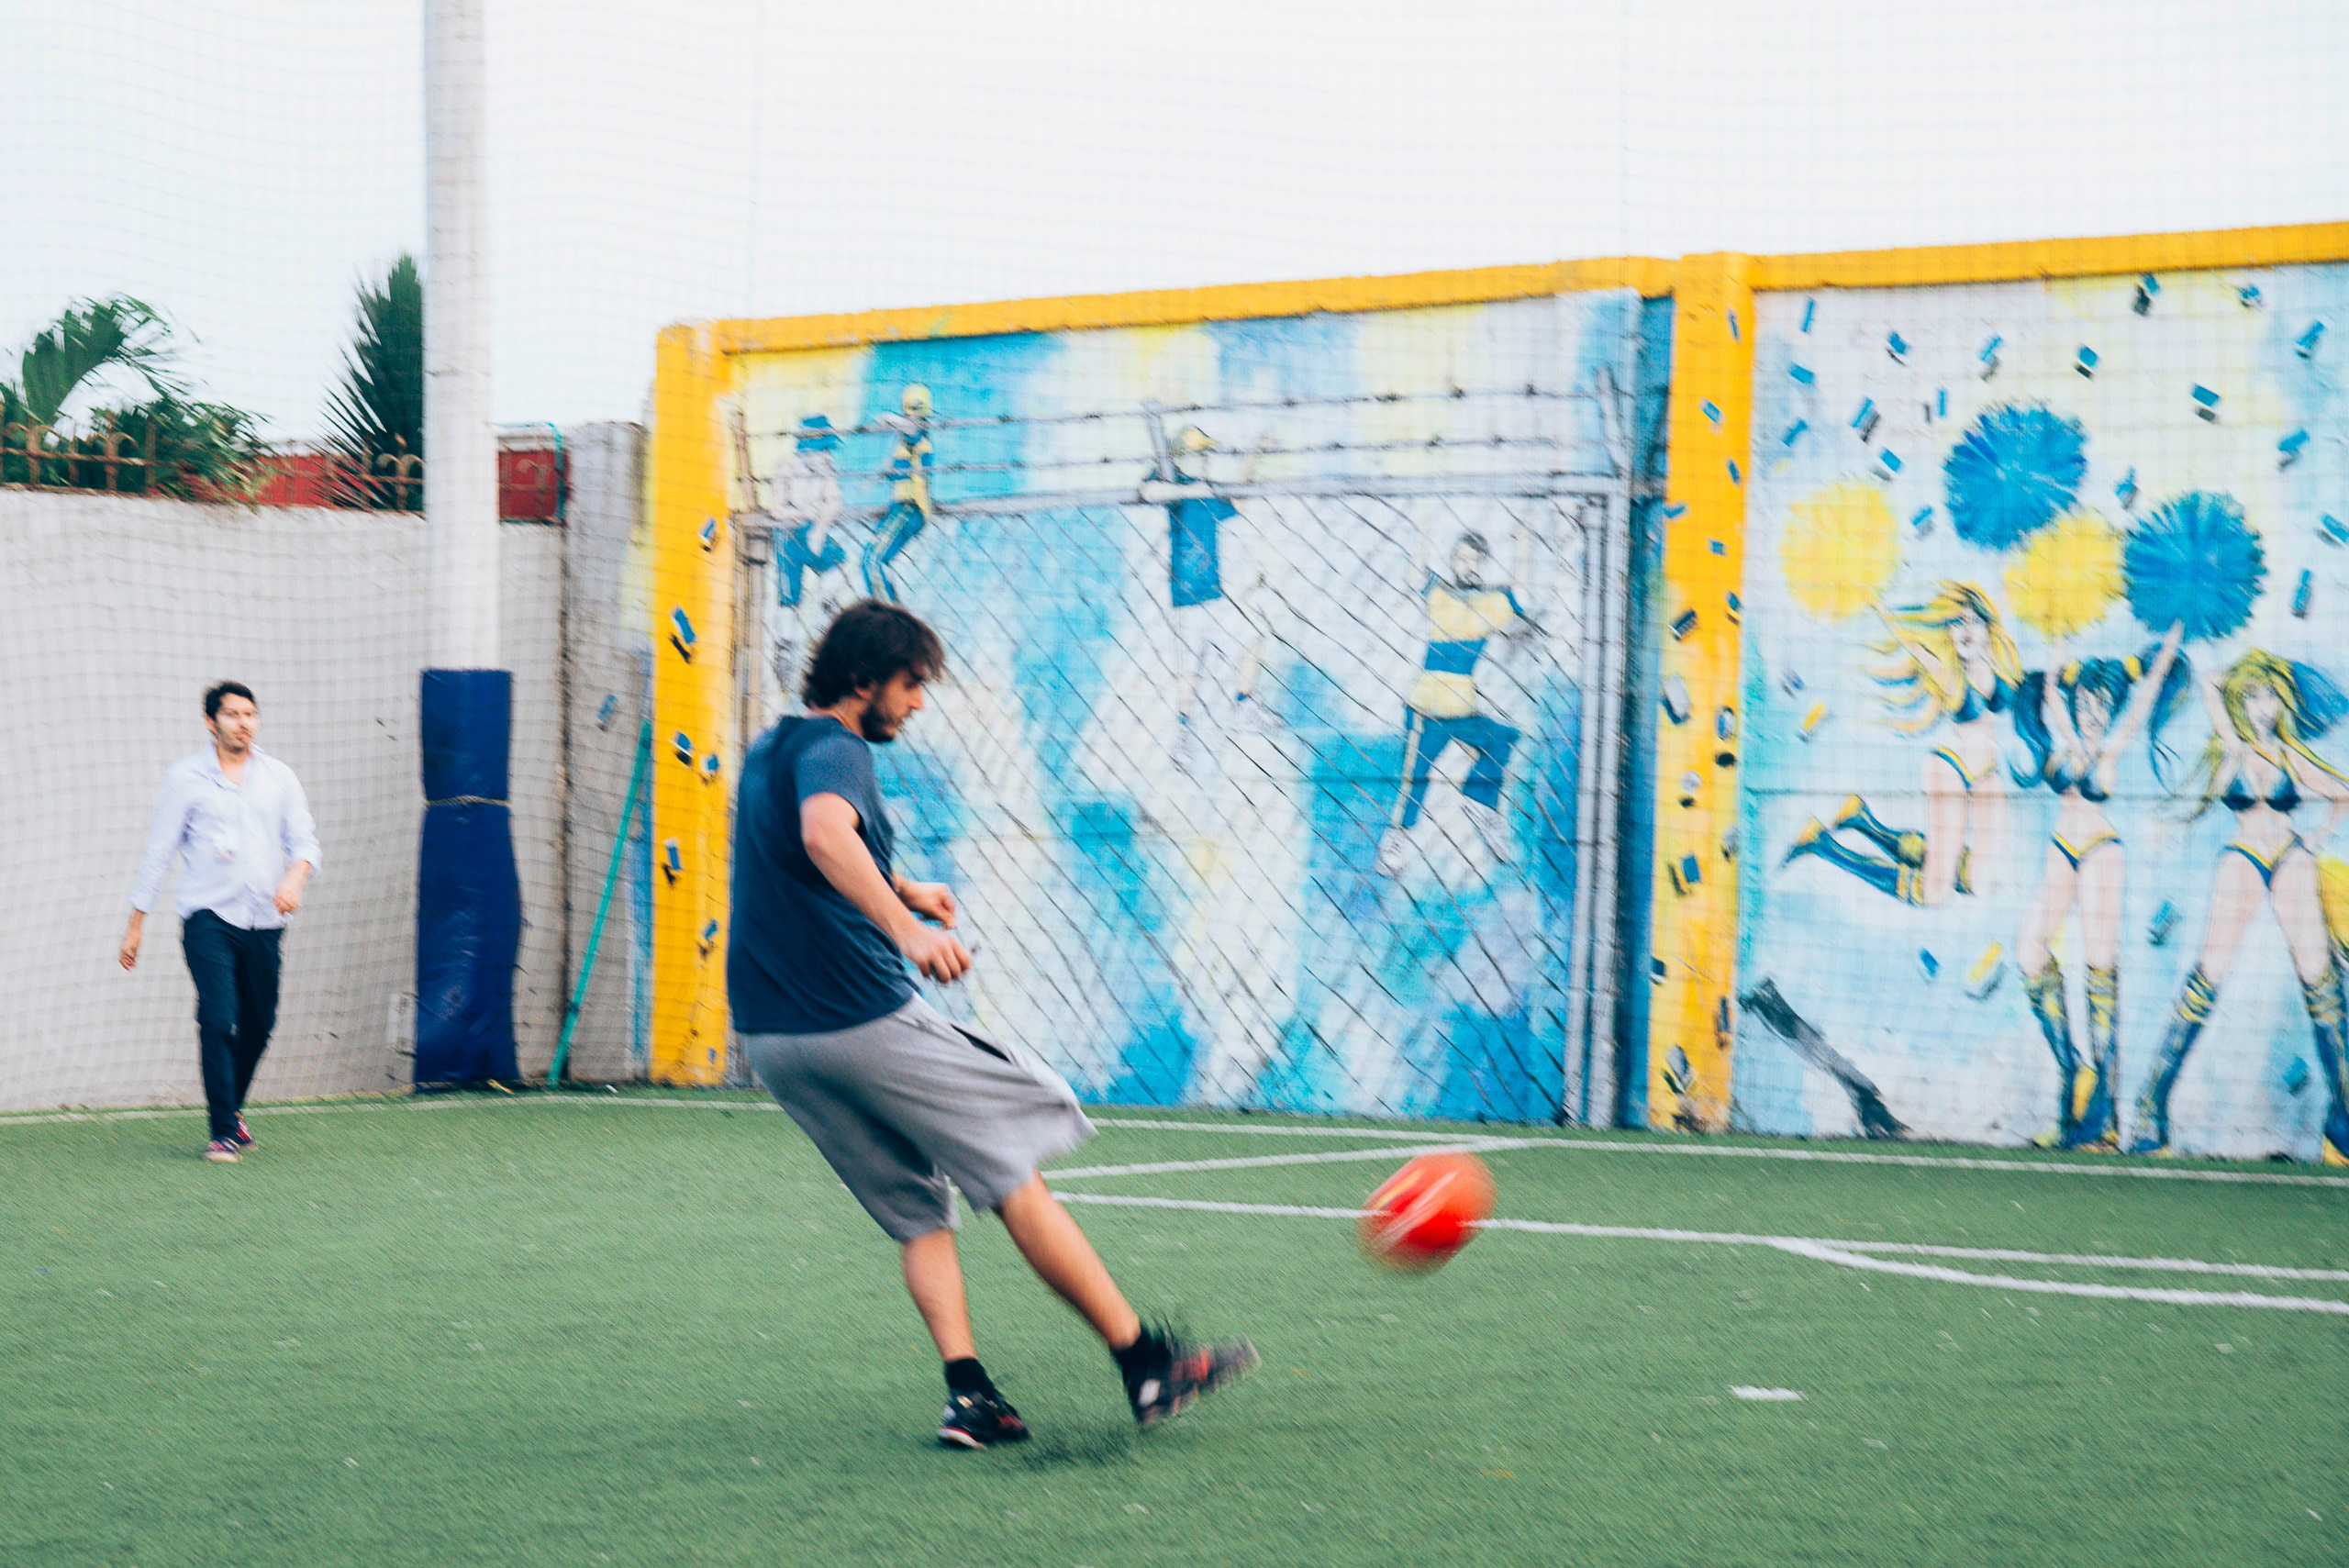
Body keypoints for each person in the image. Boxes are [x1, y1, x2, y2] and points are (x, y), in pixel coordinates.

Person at [727, 599, 1258, 1449]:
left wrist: (902, 889)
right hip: (857, 1018)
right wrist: (909, 931)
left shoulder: (770, 746)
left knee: (916, 1208)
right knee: (1014, 1161)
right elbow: (825, 836)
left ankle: (969, 1394)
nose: (918, 703)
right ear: (863, 681)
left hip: (774, 1039)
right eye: (910, 685)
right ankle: (1143, 1362)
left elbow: (792, 857)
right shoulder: (839, 749)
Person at [2134, 651, 2349, 1161]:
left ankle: (2342, 1123)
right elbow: (2210, 683)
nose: (2261, 707)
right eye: (2253, 696)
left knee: (2319, 981)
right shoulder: (2232, 746)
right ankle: (2149, 1109)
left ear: (2283, 702)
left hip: (2289, 857)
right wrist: (2253, 670)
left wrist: (2318, 836)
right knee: (2208, 973)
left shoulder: (2292, 757)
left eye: (2270, 696)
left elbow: (2343, 793)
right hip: (2244, 855)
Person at [119, 682, 320, 1163]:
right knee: (218, 1018)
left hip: (265, 920)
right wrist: (136, 923)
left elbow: (306, 843)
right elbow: (159, 852)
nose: (243, 722)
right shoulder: (185, 778)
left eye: (250, 714)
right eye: (232, 714)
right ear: (211, 722)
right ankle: (223, 1132)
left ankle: (233, 1108)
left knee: (260, 1022)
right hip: (209, 917)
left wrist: (294, 879)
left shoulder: (278, 777)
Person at [2009, 623, 2186, 1149]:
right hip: (2062, 851)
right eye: (2086, 701)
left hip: (2101, 853)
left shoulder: (2110, 749)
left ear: (2110, 711)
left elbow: (2145, 695)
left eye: (2101, 705)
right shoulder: (2063, 737)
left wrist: (2169, 647)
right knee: (2029, 952)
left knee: (2099, 973)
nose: (2092, 711)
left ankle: (2102, 1122)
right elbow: (2049, 693)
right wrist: (2059, 623)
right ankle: (2077, 1071)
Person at [1785, 583, 2022, 906]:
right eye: (1957, 622)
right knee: (1934, 891)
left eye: (1974, 621)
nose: (1966, 630)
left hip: (1986, 772)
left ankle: (1861, 820)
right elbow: (1912, 642)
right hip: (1951, 768)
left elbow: (2003, 606)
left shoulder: (2000, 664)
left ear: (1987, 626)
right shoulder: (1947, 671)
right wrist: (1878, 605)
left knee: (1976, 880)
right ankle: (1823, 844)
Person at [1375, 529, 1531, 876]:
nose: (1469, 565)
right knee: (1416, 775)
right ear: (1452, 561)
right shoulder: (1440, 593)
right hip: (1427, 706)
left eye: (1476, 559)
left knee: (1501, 738)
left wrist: (1525, 543)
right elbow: (1414, 574)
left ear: (1485, 564)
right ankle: (1396, 840)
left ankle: (1480, 802)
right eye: (1462, 558)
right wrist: (1422, 521)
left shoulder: (1491, 603)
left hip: (1461, 708)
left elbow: (1520, 593)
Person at [862, 385, 935, 603]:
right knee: (875, 559)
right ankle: (891, 607)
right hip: (900, 508)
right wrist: (870, 482)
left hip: (910, 508)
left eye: (917, 410)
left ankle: (888, 613)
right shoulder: (904, 444)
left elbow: (911, 429)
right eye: (910, 409)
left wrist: (887, 418)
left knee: (872, 559)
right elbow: (889, 467)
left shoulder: (919, 438)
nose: (913, 415)